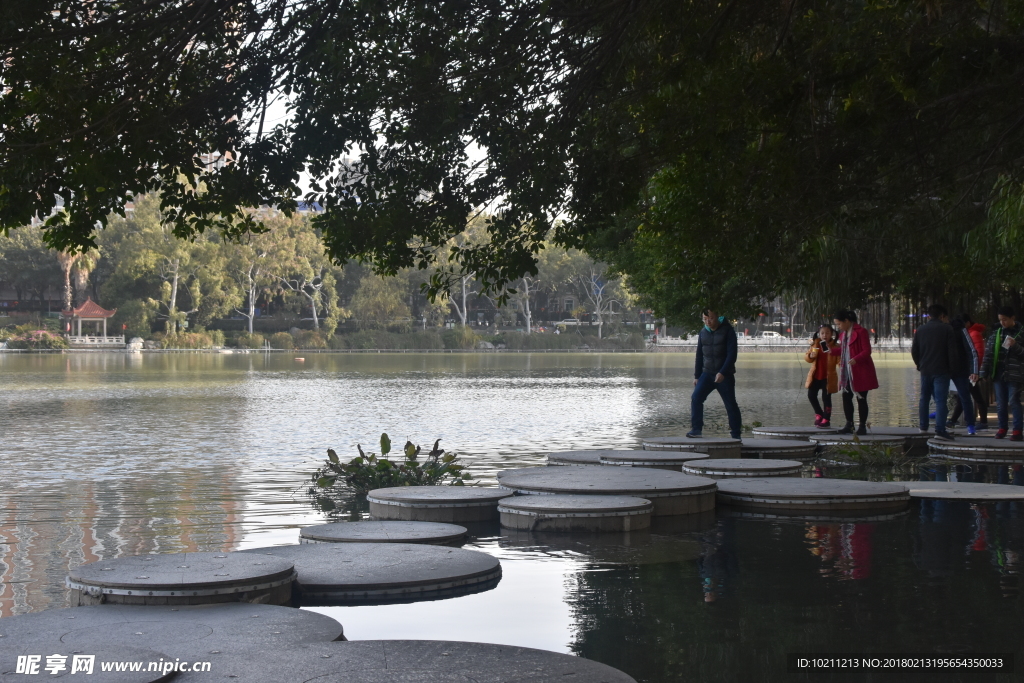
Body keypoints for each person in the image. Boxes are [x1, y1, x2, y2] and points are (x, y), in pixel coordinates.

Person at [687, 308, 742, 439]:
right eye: (705, 319)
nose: (708, 321)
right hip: (707, 373)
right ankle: (696, 430)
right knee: (696, 398)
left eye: (711, 318)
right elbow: (699, 355)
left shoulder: (728, 331)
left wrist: (722, 372)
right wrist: (696, 376)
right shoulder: (703, 332)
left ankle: (736, 434)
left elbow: (732, 355)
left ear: (717, 316)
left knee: (730, 404)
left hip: (725, 375)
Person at [911, 304, 959, 440]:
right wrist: (952, 368)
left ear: (929, 316)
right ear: (942, 316)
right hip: (942, 370)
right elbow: (952, 351)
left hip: (925, 369)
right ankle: (940, 430)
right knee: (940, 400)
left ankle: (923, 427)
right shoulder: (947, 329)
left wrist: (919, 364)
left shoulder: (921, 330)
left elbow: (914, 350)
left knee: (924, 398)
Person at [828, 309, 878, 435]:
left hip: (860, 370)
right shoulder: (843, 335)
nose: (838, 327)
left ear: (847, 321)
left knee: (861, 397)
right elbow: (842, 351)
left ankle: (862, 426)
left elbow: (867, 351)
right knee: (846, 396)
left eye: (839, 324)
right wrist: (830, 350)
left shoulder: (861, 332)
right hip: (847, 371)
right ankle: (849, 424)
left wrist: (856, 359)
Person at [978, 306, 1024, 440]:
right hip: (998, 373)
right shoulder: (996, 333)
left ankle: (1017, 430)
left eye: (1005, 320)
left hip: (1015, 374)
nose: (1002, 323)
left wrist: (1015, 345)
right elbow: (989, 355)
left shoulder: (1021, 333)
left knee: (1014, 401)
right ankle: (1002, 428)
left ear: (1012, 318)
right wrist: (983, 373)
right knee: (1001, 403)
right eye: (1000, 320)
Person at [949, 313, 989, 429]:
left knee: (973, 397)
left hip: (971, 372)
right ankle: (954, 420)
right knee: (964, 397)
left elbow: (977, 353)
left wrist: (975, 371)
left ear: (967, 323)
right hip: (969, 371)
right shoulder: (967, 333)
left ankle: (982, 422)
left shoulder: (972, 334)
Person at [943, 313, 980, 434]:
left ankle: (945, 425)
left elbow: (971, 352)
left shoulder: (955, 330)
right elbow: (972, 351)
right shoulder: (958, 330)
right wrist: (974, 370)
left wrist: (974, 370)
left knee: (947, 397)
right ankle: (970, 426)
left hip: (949, 370)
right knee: (965, 398)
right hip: (960, 370)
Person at [804, 325, 839, 427]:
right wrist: (810, 356)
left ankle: (826, 419)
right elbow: (807, 357)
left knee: (826, 398)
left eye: (827, 333)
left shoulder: (835, 347)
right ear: (819, 334)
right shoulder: (816, 344)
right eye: (822, 333)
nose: (825, 335)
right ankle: (819, 413)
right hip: (815, 375)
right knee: (811, 395)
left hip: (828, 377)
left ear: (832, 334)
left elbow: (839, 361)